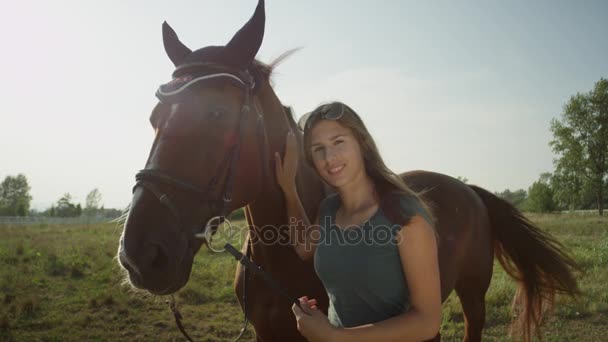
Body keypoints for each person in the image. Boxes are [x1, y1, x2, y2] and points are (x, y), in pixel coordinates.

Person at [274, 101, 442, 342]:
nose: (329, 157)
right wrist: (289, 189)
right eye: (318, 149)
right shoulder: (329, 209)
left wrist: (334, 336)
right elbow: (303, 248)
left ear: (361, 144)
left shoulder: (404, 215)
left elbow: (427, 322)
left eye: (338, 142)